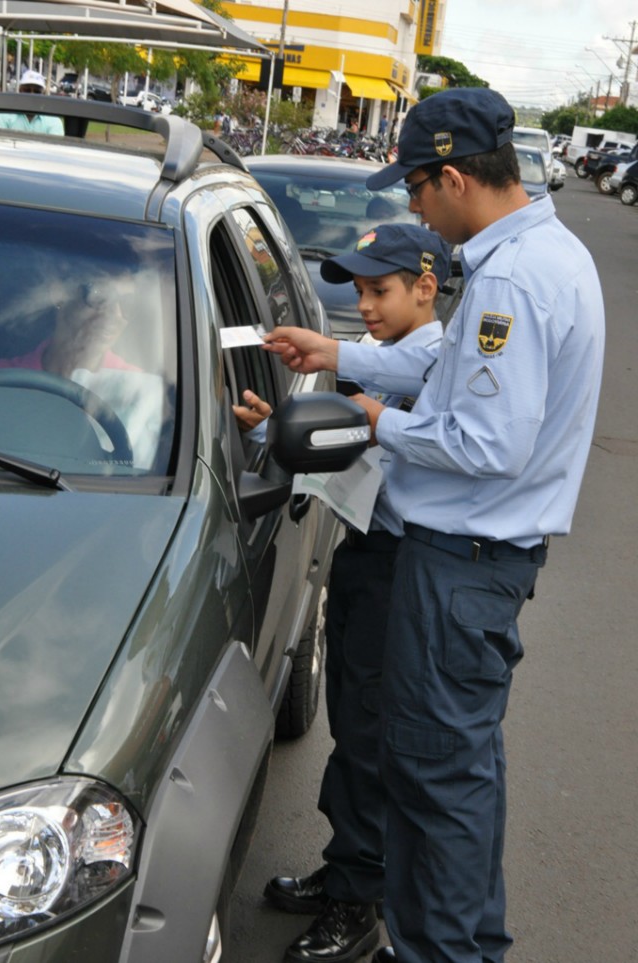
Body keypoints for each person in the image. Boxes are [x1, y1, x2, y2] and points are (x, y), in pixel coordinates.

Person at [263, 87, 605, 963]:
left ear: (452, 177)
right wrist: (337, 353)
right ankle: (461, 945)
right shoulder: (531, 257)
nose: (411, 205)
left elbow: (484, 440)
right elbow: (443, 365)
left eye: (415, 187)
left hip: (462, 564)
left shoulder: (516, 278)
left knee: (436, 782)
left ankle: (441, 952)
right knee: (453, 779)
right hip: (470, 562)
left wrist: (376, 419)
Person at [237, 223, 452, 963]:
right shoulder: (393, 356)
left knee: (370, 738)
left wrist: (330, 365)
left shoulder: (432, 358)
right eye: (357, 291)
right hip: (370, 552)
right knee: (353, 728)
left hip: (403, 566)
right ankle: (348, 868)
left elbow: (383, 430)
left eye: (380, 291)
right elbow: (362, 464)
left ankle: (360, 903)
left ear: (427, 288)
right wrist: (280, 432)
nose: (364, 305)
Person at [0, 280, 137, 377]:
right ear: (59, 293)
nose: (114, 315)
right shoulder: (4, 380)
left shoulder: (139, 390)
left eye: (127, 302)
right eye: (100, 295)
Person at [0, 69, 64, 135]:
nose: (32, 94)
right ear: (20, 91)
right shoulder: (4, 116)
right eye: (27, 90)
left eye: (37, 91)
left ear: (43, 94)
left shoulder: (53, 121)